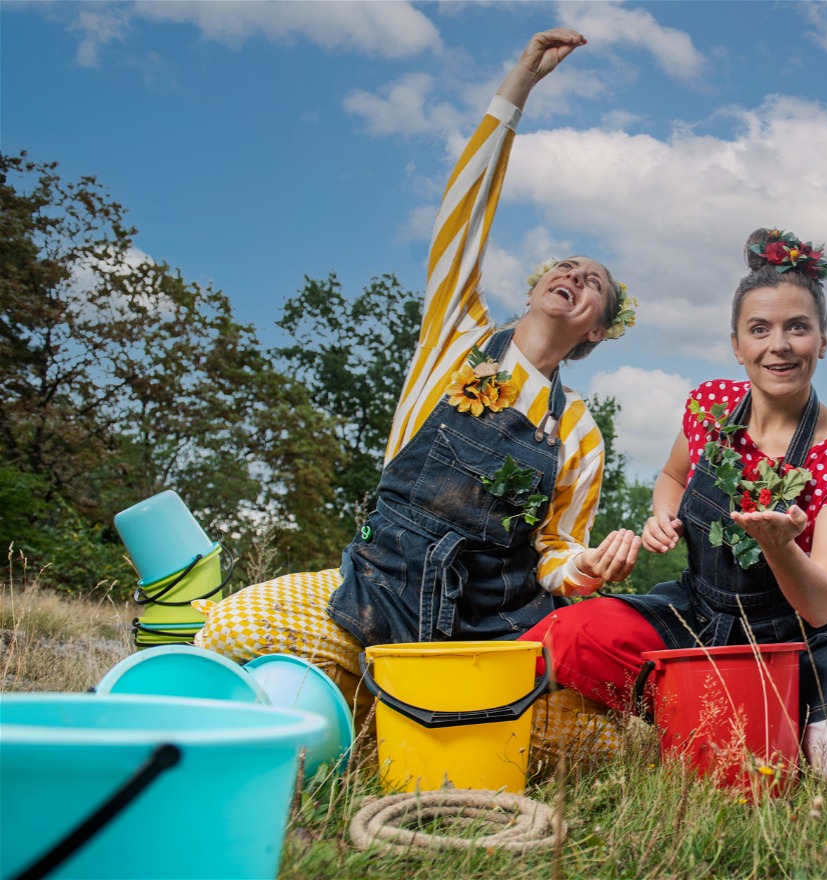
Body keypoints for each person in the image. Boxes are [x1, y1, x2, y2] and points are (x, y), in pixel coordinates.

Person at [195, 28, 643, 710]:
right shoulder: (454, 336)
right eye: (565, 267)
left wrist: (583, 568)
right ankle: (385, 706)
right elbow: (462, 218)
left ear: (598, 328)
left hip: (490, 621)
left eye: (593, 283)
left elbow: (555, 550)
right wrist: (518, 84)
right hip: (380, 581)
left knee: (589, 736)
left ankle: (399, 712)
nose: (575, 276)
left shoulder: (578, 429)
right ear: (532, 288)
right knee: (228, 629)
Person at [523, 228, 827, 784]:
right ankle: (669, 703)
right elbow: (673, 475)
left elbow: (825, 605)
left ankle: (730, 715)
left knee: (747, 773)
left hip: (791, 640)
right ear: (737, 344)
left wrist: (781, 549)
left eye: (798, 327)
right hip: (696, 613)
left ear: (822, 341)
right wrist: (663, 515)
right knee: (562, 635)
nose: (780, 345)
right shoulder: (711, 406)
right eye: (760, 329)